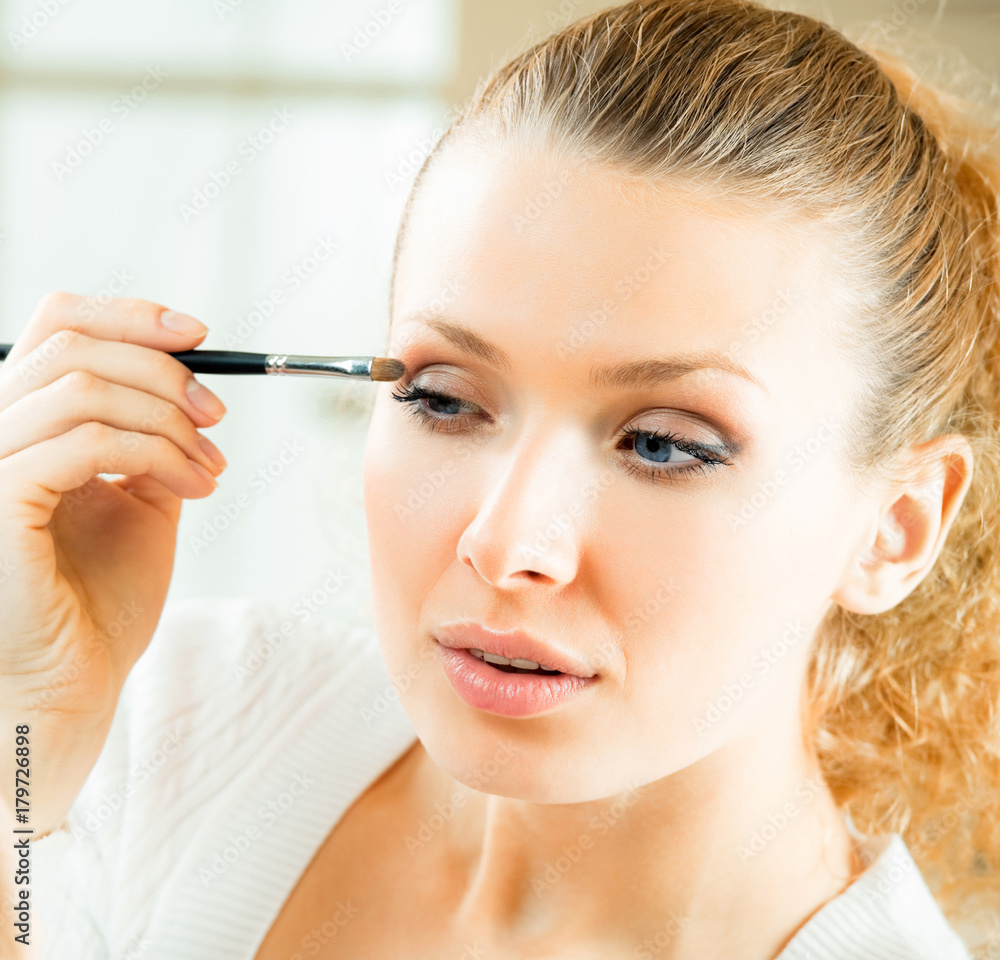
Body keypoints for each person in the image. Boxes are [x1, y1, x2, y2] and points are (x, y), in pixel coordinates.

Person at [2, 0, 998, 957]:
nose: (504, 541)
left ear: (895, 529)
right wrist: (25, 743)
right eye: (444, 398)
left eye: (661, 444)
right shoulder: (173, 724)